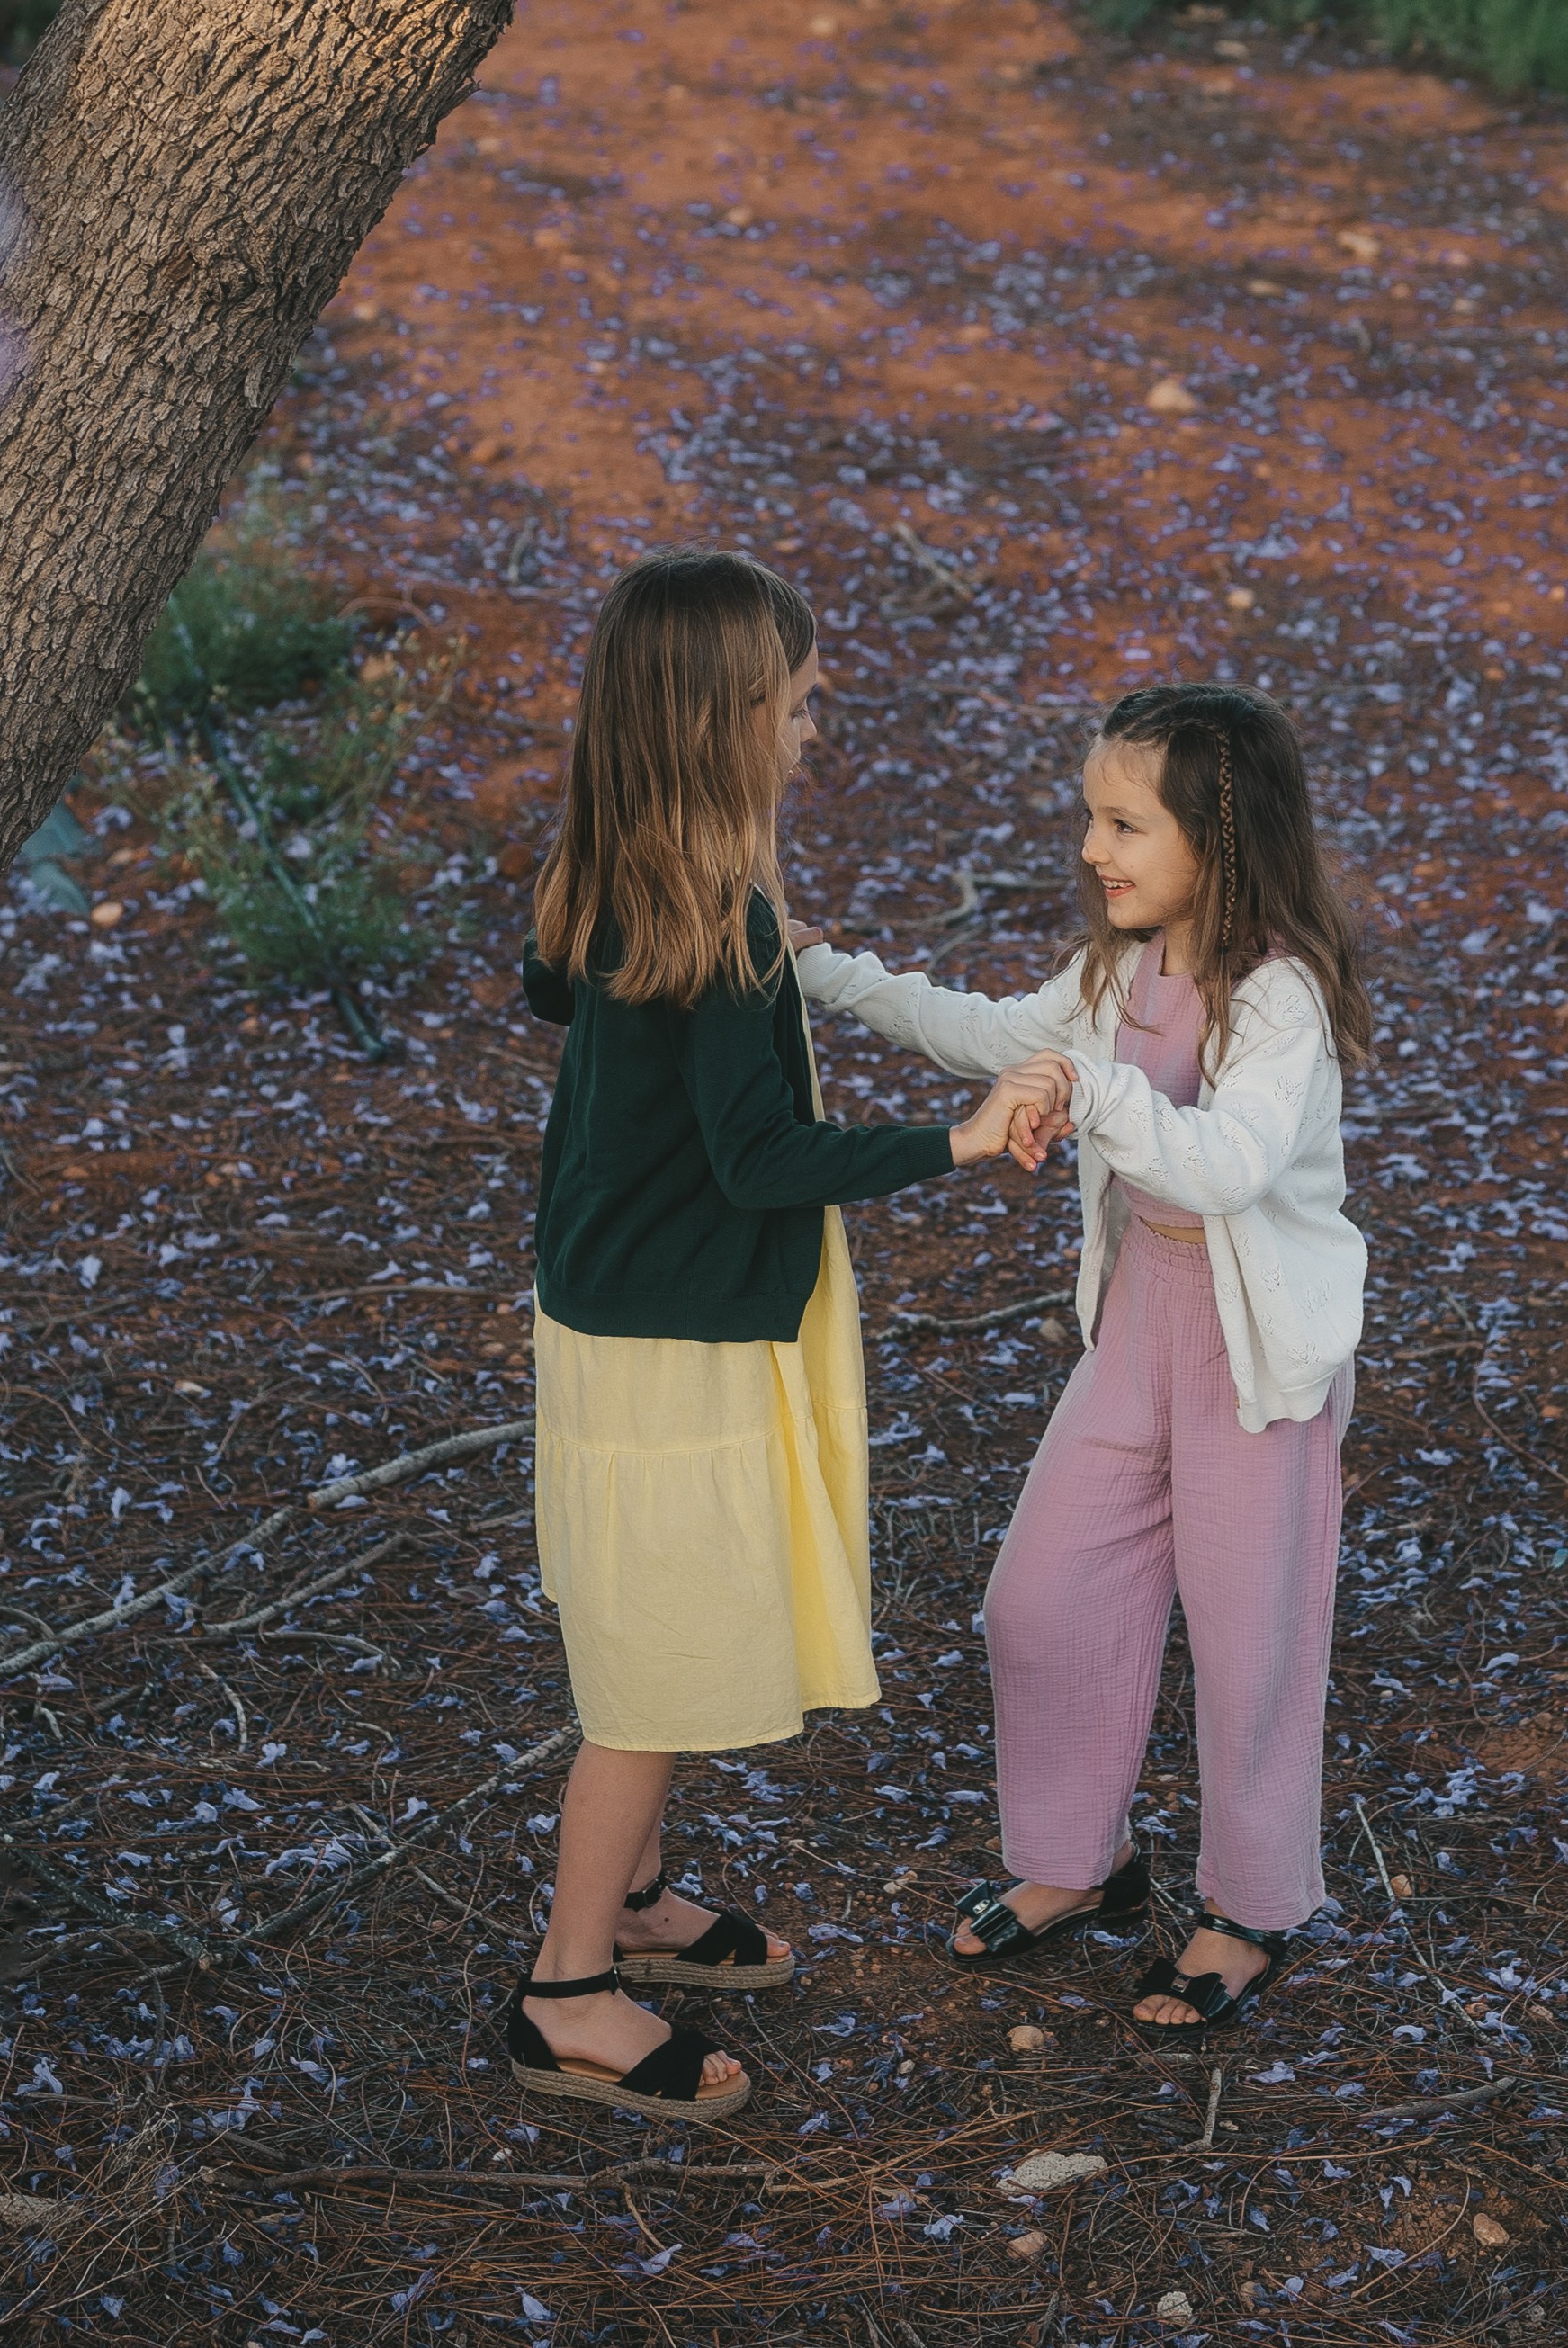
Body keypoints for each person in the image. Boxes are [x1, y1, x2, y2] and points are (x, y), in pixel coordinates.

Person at [504, 549, 1070, 2124]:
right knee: (647, 1677)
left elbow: (557, 988)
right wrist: (954, 1144)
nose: (816, 731)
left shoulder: (624, 864)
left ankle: (632, 1897)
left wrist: (771, 939)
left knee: (662, 1628)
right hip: (671, 1339)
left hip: (622, 1313)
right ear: (723, 721)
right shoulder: (718, 916)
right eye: (800, 707)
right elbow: (756, 1158)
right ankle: (565, 1988)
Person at [795, 681, 1368, 2039]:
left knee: (1251, 1642)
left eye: (1123, 822)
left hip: (1250, 1356)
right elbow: (1003, 1037)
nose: (1093, 849)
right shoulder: (1119, 967)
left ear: (1216, 840)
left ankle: (1252, 1903)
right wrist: (821, 971)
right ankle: (1081, 1858)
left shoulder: (1276, 994)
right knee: (1040, 1599)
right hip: (1138, 1330)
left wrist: (1088, 1088)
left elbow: (1224, 1164)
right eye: (1090, 819)